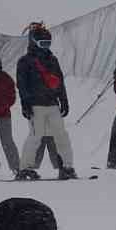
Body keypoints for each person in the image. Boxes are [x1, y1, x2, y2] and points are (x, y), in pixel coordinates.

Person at [15, 22, 76, 180]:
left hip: (52, 104)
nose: (46, 47)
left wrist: (64, 100)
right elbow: (22, 84)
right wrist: (25, 103)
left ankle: (67, 166)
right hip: (35, 106)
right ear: (34, 42)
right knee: (36, 136)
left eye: (48, 43)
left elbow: (59, 81)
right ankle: (25, 168)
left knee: (61, 135)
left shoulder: (52, 60)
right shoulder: (25, 61)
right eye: (43, 43)